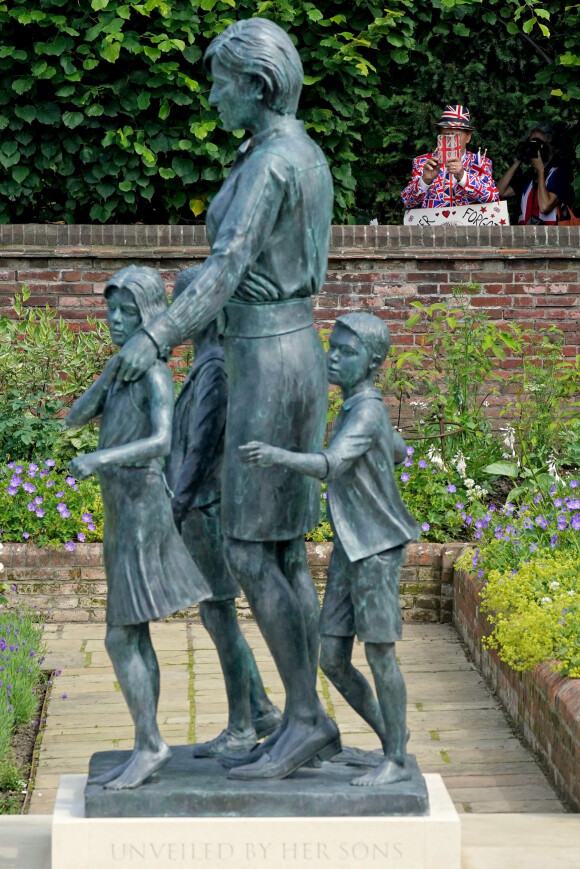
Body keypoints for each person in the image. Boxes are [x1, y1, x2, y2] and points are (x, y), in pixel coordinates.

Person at [111, 18, 340, 781]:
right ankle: (296, 716)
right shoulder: (287, 154)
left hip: (268, 359)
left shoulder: (277, 162)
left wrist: (156, 336)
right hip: (277, 353)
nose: (211, 97)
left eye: (220, 83)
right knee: (276, 549)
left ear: (260, 87)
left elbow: (226, 266)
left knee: (251, 545)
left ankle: (303, 717)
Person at [240, 313, 419, 786]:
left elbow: (332, 463)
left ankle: (397, 760)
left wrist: (275, 455)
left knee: (380, 654)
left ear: (373, 362)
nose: (331, 357)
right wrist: (385, 448)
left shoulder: (365, 411)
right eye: (331, 347)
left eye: (345, 351)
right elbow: (399, 450)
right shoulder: (360, 408)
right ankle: (390, 739)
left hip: (376, 550)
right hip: (351, 546)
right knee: (334, 658)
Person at [67, 265, 211, 790]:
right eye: (112, 310)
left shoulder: (155, 374)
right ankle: (146, 740)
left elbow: (162, 442)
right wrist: (107, 374)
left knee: (119, 634)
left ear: (150, 316)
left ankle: (150, 744)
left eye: (129, 312)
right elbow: (75, 417)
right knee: (130, 633)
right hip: (122, 510)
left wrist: (100, 460)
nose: (116, 320)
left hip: (142, 508)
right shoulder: (122, 370)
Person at [165, 265, 282, 758]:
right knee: (216, 617)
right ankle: (259, 710)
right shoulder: (208, 363)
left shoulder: (214, 366)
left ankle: (241, 727)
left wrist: (176, 504)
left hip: (203, 509)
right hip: (198, 508)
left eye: (183, 304)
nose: (176, 314)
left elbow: (200, 448)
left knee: (219, 615)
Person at [401, 104, 499, 209]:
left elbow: (492, 196)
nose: (451, 140)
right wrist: (425, 180)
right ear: (439, 136)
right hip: (432, 224)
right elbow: (407, 202)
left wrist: (463, 176)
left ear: (468, 137)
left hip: (468, 224)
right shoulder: (423, 162)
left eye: (456, 135)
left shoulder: (479, 162)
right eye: (446, 135)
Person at [496, 121, 575, 224]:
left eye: (538, 143)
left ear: (550, 145)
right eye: (531, 143)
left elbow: (545, 206)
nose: (535, 147)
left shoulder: (561, 171)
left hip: (553, 237)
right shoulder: (530, 175)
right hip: (526, 236)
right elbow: (500, 192)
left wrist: (540, 171)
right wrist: (520, 159)